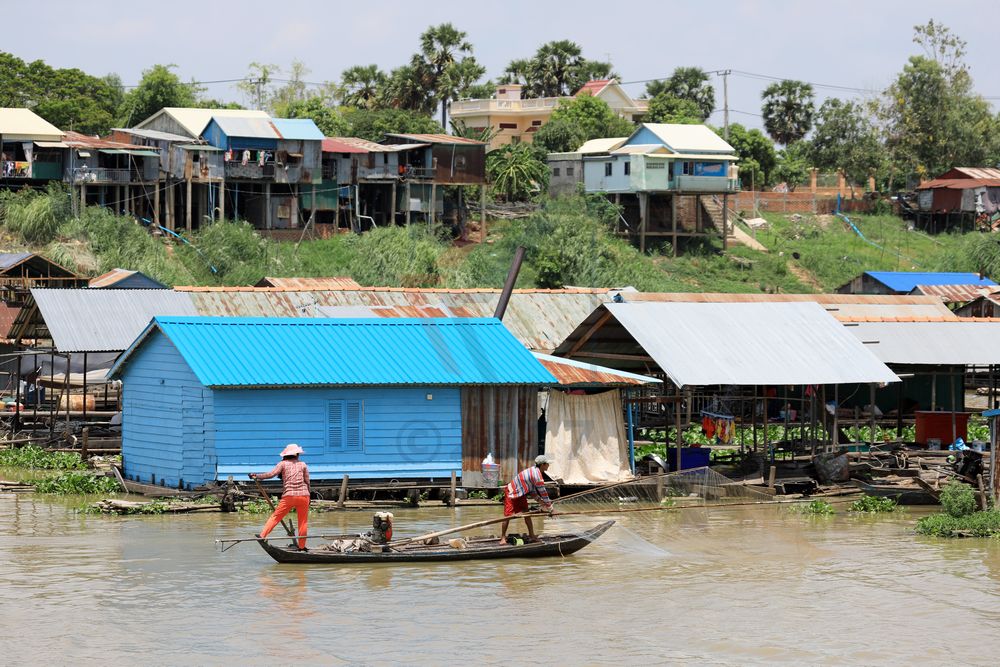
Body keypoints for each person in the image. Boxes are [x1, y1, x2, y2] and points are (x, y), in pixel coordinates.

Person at [249, 444, 311, 550]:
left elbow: (271, 474)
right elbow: (307, 482)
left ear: (286, 455)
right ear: (296, 454)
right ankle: (301, 546)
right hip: (304, 495)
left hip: (289, 496)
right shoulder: (303, 464)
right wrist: (308, 496)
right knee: (303, 521)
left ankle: (262, 536)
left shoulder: (283, 464)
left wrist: (257, 476)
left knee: (276, 517)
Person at [498, 455, 554, 545]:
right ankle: (503, 537)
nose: (548, 465)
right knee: (507, 516)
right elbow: (544, 493)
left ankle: (532, 535)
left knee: (526, 513)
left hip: (521, 493)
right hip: (512, 492)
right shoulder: (537, 476)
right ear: (543, 464)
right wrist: (551, 508)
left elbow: (531, 490)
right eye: (547, 464)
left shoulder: (535, 471)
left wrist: (540, 501)